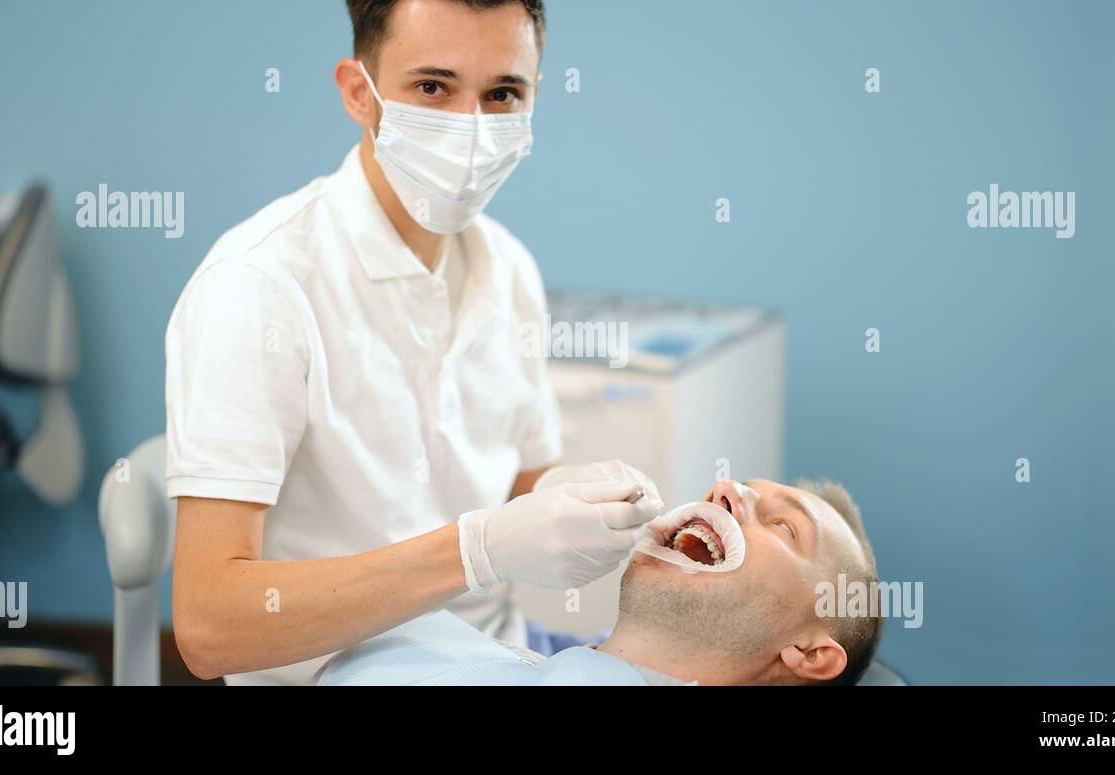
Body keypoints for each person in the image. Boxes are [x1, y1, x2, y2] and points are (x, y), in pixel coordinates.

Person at [164, 0, 663, 685]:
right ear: (358, 92)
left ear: (534, 96)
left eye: (502, 93)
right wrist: (477, 549)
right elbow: (208, 626)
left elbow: (522, 480)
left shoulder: (508, 269)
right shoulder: (260, 286)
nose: (471, 128)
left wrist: (575, 501)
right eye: (433, 86)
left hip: (502, 654)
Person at [318, 479, 884, 686]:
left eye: (784, 526)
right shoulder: (436, 645)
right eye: (741, 491)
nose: (726, 491)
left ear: (809, 653)